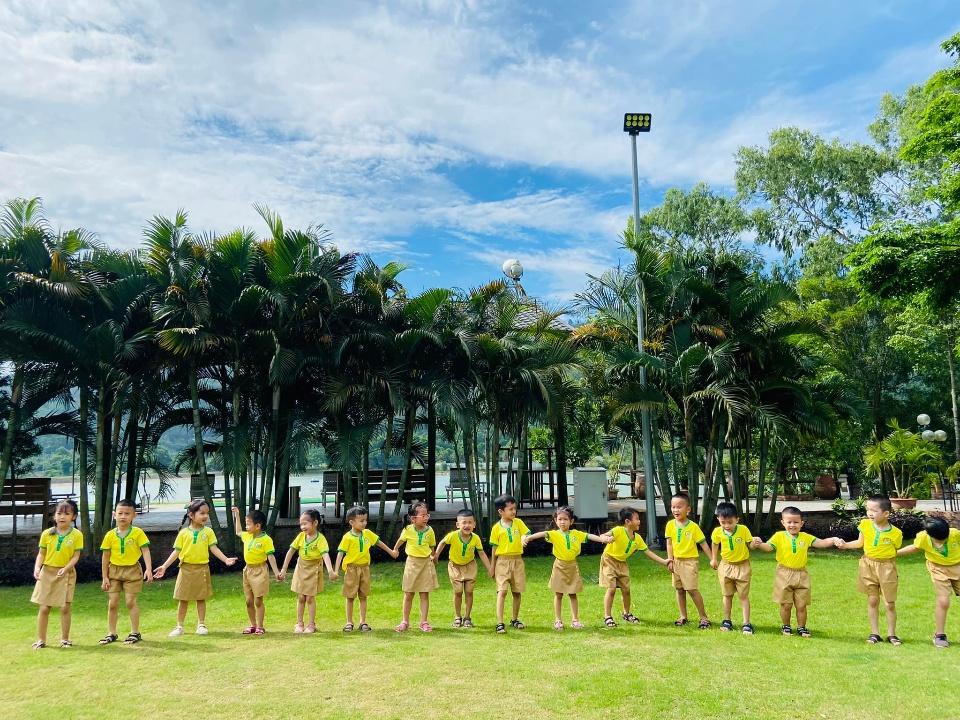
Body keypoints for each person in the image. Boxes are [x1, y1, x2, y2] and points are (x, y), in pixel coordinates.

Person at [153, 499, 237, 637]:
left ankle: (201, 624)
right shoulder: (183, 533)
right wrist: (164, 566)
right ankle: (179, 626)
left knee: (201, 598)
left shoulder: (208, 532)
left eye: (207, 513)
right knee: (183, 598)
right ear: (191, 515)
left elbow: (214, 548)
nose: (205, 516)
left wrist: (225, 559)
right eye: (202, 513)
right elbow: (176, 551)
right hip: (185, 569)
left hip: (202, 569)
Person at [755, 506, 840, 638]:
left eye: (796, 522)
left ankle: (802, 627)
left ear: (801, 523)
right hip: (784, 573)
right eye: (789, 522)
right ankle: (786, 626)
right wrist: (760, 544)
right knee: (786, 604)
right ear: (783, 522)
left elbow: (822, 543)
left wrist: (833, 539)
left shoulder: (805, 537)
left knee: (801, 605)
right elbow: (768, 547)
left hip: (801, 574)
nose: (792, 525)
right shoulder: (779, 536)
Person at [523, 506, 612, 630]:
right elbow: (543, 534)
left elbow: (589, 536)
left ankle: (575, 620)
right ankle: (558, 620)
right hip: (559, 566)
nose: (562, 522)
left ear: (571, 521)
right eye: (560, 519)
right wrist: (530, 537)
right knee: (558, 594)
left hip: (572, 566)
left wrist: (603, 539)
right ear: (555, 521)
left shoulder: (576, 534)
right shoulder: (554, 534)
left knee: (573, 594)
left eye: (565, 519)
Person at [836, 495, 903, 645]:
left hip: (887, 568)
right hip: (867, 566)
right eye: (868, 509)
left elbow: (895, 549)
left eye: (874, 510)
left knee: (889, 603)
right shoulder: (865, 525)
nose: (870, 513)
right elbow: (860, 543)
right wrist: (845, 545)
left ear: (886, 513)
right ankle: (875, 633)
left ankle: (892, 634)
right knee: (873, 600)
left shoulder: (896, 533)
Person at [599, 507, 673, 628]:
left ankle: (626, 613)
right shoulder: (618, 530)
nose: (639, 521)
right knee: (611, 589)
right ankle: (607, 616)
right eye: (637, 519)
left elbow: (648, 552)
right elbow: (603, 535)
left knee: (626, 590)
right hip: (609, 561)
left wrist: (664, 562)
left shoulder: (637, 538)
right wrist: (606, 538)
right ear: (628, 522)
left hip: (622, 563)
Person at [897, 516, 960, 647]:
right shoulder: (923, 537)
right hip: (938, 568)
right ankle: (940, 634)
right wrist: (895, 553)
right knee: (943, 601)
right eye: (939, 539)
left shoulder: (954, 533)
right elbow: (915, 547)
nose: (943, 541)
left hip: (957, 566)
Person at [333, 506, 398, 632]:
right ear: (352, 522)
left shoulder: (367, 533)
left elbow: (378, 542)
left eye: (365, 520)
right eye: (361, 521)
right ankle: (349, 622)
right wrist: (335, 570)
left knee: (363, 596)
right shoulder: (347, 537)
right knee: (350, 596)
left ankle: (363, 622)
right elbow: (340, 553)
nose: (364, 523)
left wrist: (391, 552)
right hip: (352, 569)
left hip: (365, 569)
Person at [99, 499, 152, 645]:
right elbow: (105, 556)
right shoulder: (110, 535)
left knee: (130, 601)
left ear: (134, 515)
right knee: (113, 603)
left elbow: (145, 550)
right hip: (114, 571)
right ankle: (112, 633)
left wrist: (148, 569)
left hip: (132, 571)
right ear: (114, 515)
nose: (123, 516)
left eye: (127, 514)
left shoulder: (138, 533)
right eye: (120, 513)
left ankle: (135, 632)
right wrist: (105, 576)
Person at [31, 499, 83, 649]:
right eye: (59, 513)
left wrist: (66, 569)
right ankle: (41, 640)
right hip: (47, 573)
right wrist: (37, 567)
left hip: (66, 573)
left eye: (67, 514)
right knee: (44, 608)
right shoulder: (47, 534)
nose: (62, 517)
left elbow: (76, 556)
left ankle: (65, 639)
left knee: (65, 608)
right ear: (54, 516)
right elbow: (42, 553)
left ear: (74, 516)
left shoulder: (77, 535)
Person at [277, 509, 337, 634]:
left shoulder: (320, 539)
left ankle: (311, 624)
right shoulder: (300, 537)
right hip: (301, 567)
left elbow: (325, 555)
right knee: (301, 597)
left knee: (309, 598)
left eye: (305, 523)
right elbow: (290, 552)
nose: (302, 527)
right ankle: (299, 623)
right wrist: (284, 569)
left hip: (314, 568)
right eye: (301, 524)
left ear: (315, 523)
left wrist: (330, 571)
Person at [433, 508, 491, 628]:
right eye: (464, 522)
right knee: (458, 591)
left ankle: (467, 617)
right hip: (455, 566)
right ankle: (457, 617)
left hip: (470, 566)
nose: (467, 525)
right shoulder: (453, 536)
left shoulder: (475, 538)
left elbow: (481, 553)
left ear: (474, 524)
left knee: (469, 591)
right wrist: (436, 555)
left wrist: (490, 568)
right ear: (458, 524)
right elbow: (442, 542)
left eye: (470, 522)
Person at [710, 501, 761, 634]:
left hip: (742, 566)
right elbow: (715, 544)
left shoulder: (743, 530)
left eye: (730, 522)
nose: (727, 526)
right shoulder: (717, 532)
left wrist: (755, 543)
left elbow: (750, 546)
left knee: (743, 595)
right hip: (725, 566)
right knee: (727, 594)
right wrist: (714, 559)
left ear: (737, 519)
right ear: (718, 519)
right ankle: (727, 620)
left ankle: (746, 623)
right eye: (723, 522)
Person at [665, 493, 712, 629]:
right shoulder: (670, 525)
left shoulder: (693, 527)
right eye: (673, 507)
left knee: (692, 590)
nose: (676, 510)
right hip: (676, 562)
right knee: (679, 589)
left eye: (679, 507)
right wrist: (670, 560)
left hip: (690, 562)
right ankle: (683, 616)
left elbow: (703, 543)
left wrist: (712, 559)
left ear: (688, 509)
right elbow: (669, 544)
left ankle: (704, 618)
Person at [231, 506, 281, 635]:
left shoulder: (266, 539)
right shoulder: (247, 536)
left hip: (260, 570)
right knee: (248, 601)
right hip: (248, 570)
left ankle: (260, 626)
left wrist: (276, 573)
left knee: (258, 600)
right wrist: (237, 516)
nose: (246, 527)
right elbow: (238, 531)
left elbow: (271, 556)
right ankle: (252, 625)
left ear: (258, 526)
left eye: (248, 524)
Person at [392, 501, 440, 632]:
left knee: (424, 594)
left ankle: (424, 622)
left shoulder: (430, 530)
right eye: (422, 515)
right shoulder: (408, 530)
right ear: (413, 518)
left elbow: (432, 547)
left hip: (426, 564)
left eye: (427, 515)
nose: (425, 518)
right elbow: (400, 541)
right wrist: (395, 550)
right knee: (409, 593)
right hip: (412, 564)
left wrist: (434, 557)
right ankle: (405, 621)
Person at [488, 493, 531, 634]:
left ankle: (514, 619)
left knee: (517, 591)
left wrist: (525, 537)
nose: (513, 511)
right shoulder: (496, 528)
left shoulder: (518, 523)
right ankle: (500, 623)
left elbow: (526, 534)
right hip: (502, 562)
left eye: (514, 508)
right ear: (501, 511)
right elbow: (494, 548)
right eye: (510, 509)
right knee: (502, 591)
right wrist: (492, 566)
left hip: (517, 560)